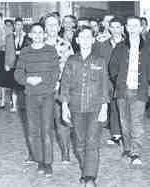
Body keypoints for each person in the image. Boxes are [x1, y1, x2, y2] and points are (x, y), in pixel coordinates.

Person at [61, 26, 110, 187]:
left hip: (95, 108)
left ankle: (90, 177)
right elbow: (65, 85)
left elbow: (104, 86)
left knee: (92, 141)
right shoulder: (71, 60)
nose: (85, 40)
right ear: (77, 40)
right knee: (80, 143)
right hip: (76, 108)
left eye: (88, 37)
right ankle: (85, 169)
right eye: (82, 37)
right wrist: (64, 107)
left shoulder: (100, 61)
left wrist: (104, 108)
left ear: (93, 40)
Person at [14, 22, 60, 177]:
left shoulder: (51, 50)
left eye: (41, 32)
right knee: (33, 131)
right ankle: (39, 160)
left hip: (47, 95)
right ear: (30, 35)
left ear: (45, 34)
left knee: (46, 131)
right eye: (35, 32)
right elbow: (18, 73)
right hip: (30, 96)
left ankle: (48, 163)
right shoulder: (25, 52)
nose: (38, 35)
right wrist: (27, 79)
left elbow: (55, 73)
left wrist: (40, 79)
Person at [108, 16, 150, 165]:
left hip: (140, 91)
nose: (132, 29)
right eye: (130, 26)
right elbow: (112, 67)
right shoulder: (120, 47)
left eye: (136, 26)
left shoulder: (149, 47)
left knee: (136, 122)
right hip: (122, 90)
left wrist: (147, 84)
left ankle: (135, 152)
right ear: (126, 28)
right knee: (124, 122)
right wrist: (118, 81)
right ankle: (127, 148)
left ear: (141, 28)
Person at [44, 13, 75, 164]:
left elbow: (72, 69)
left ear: (59, 26)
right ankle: (41, 154)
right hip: (42, 91)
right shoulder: (37, 45)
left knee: (62, 122)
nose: (52, 28)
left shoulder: (65, 45)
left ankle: (66, 153)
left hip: (59, 89)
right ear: (44, 27)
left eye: (55, 24)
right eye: (49, 24)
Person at [5, 17, 33, 164]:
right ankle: (14, 105)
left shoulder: (27, 37)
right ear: (14, 26)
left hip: (23, 65)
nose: (18, 27)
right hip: (12, 64)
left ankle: (21, 103)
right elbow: (7, 51)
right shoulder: (10, 36)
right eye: (16, 25)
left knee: (21, 86)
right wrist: (6, 64)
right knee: (13, 86)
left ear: (23, 26)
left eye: (20, 25)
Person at [95, 16, 125, 145]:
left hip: (124, 81)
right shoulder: (102, 45)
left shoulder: (127, 44)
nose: (115, 30)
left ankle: (126, 133)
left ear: (122, 28)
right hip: (108, 81)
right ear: (109, 28)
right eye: (112, 27)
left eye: (118, 27)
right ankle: (116, 134)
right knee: (113, 107)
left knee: (124, 108)